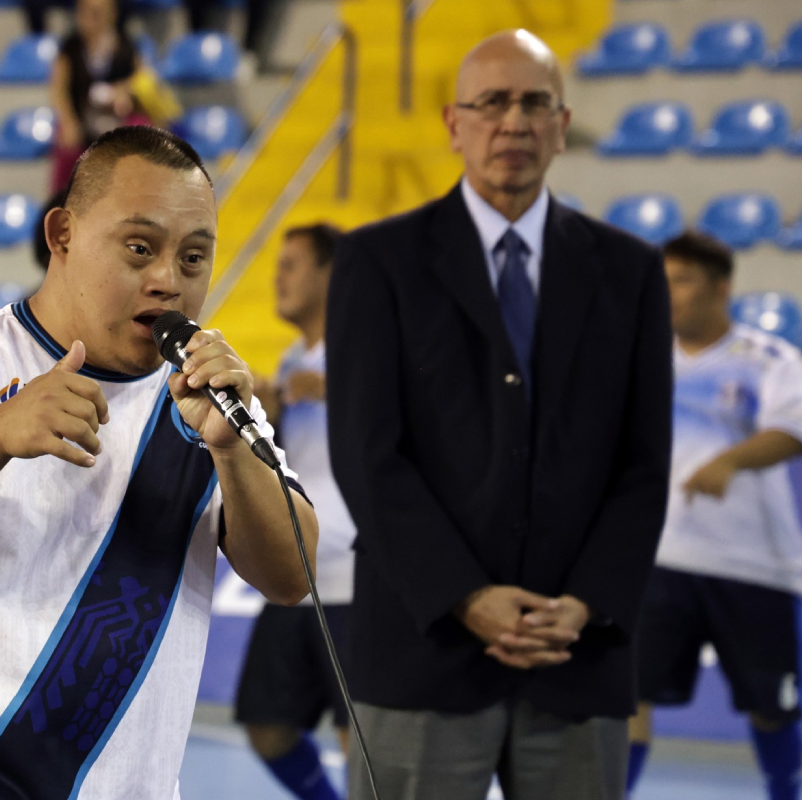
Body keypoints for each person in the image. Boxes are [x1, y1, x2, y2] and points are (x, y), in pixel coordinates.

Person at [0, 125, 319, 798]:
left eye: (192, 259)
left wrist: (234, 452)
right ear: (61, 234)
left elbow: (295, 577)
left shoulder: (209, 398)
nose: (167, 282)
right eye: (140, 248)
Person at [325, 29, 672, 800]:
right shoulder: (377, 263)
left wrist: (583, 603)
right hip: (424, 645)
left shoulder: (631, 272)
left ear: (561, 121)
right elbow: (366, 456)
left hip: (576, 652)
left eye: (533, 103)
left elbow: (644, 465)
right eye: (491, 103)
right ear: (454, 123)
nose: (512, 122)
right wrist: (466, 598)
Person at [626, 232, 802, 800]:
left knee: (770, 709)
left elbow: (791, 431)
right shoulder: (642, 361)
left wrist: (729, 461)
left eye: (681, 280)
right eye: (662, 281)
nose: (667, 293)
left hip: (753, 567)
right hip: (662, 559)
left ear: (721, 287)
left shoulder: (767, 359)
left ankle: (783, 788)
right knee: (627, 696)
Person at [236, 223, 356, 800]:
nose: (278, 277)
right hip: (298, 575)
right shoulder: (290, 359)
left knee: (360, 739)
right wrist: (266, 407)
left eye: (292, 265)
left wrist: (345, 387)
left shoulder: (374, 347)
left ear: (331, 273)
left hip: (362, 581)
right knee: (268, 728)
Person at [48, 0, 146, 193]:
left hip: (118, 117)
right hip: (82, 117)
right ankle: (60, 200)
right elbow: (59, 89)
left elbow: (142, 80)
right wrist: (68, 121)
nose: (93, 18)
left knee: (142, 131)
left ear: (112, 14)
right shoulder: (70, 48)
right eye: (88, 12)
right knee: (67, 142)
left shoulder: (126, 46)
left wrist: (123, 91)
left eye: (99, 12)